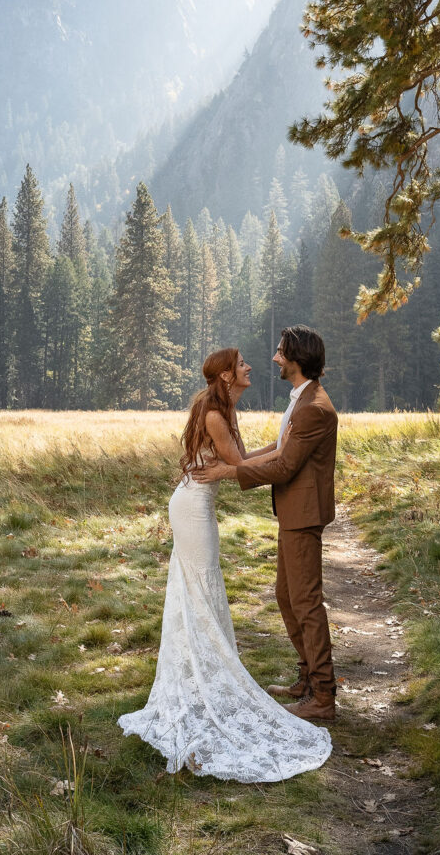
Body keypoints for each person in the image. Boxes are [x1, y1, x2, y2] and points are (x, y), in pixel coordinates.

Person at [117, 347, 331, 783]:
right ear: (226, 377)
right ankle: (204, 676)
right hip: (193, 507)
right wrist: (263, 457)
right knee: (199, 586)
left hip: (198, 505)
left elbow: (241, 460)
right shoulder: (215, 413)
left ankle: (209, 675)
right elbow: (238, 463)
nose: (251, 366)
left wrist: (274, 449)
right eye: (242, 365)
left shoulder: (223, 408)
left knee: (203, 587)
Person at [194, 326, 338, 723]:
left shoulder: (313, 407)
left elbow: (286, 464)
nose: (274, 358)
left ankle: (323, 696)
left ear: (296, 358)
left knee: (305, 602)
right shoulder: (301, 399)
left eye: (280, 353)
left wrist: (226, 472)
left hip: (303, 515)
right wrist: (235, 464)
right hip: (294, 512)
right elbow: (278, 451)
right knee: (286, 596)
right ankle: (307, 676)